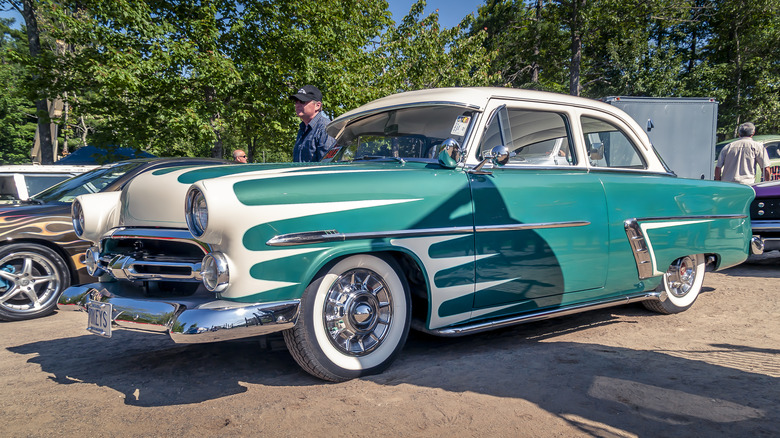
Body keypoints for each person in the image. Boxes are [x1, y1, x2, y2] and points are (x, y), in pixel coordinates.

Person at [290, 85, 336, 162]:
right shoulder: (303, 128)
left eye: (302, 101)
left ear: (317, 105)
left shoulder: (325, 128)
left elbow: (327, 165)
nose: (297, 105)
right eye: (296, 102)